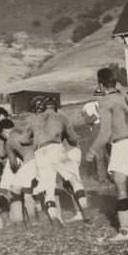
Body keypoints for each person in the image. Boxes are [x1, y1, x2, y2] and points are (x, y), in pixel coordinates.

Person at [87, 67, 128, 243]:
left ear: (101, 84)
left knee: (121, 190)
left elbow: (105, 132)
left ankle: (125, 231)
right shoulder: (126, 97)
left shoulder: (105, 101)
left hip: (121, 144)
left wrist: (92, 150)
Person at [29, 95, 89, 224]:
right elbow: (73, 139)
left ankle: (54, 217)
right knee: (74, 181)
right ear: (55, 107)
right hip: (57, 148)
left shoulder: (35, 120)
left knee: (48, 187)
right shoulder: (61, 117)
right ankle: (84, 209)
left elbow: (27, 139)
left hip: (40, 152)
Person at [0, 117, 40, 224]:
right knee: (28, 191)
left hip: (29, 164)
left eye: (2, 136)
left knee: (14, 190)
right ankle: (35, 216)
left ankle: (29, 218)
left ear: (4, 132)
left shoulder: (9, 142)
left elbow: (13, 164)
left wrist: (18, 168)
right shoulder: (23, 132)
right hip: (40, 159)